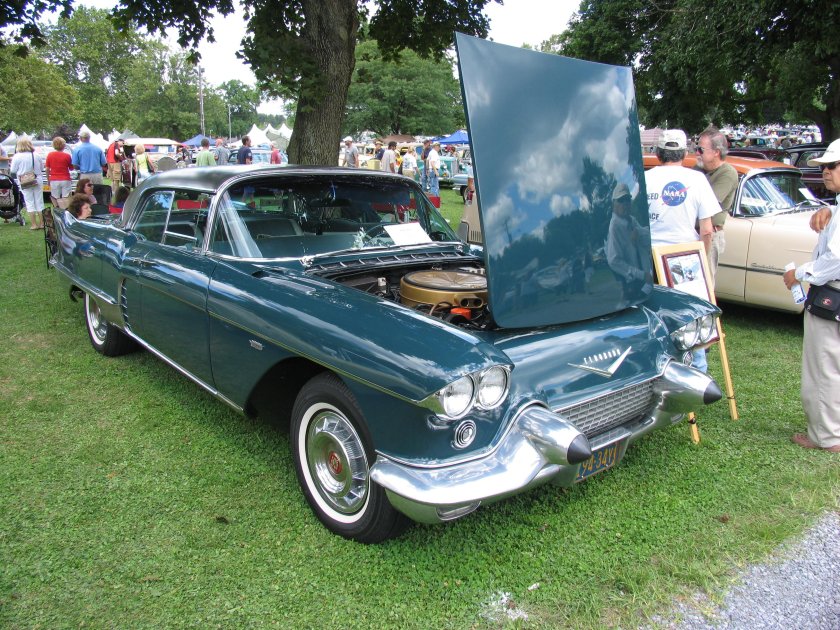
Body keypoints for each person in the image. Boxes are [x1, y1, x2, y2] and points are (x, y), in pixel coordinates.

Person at [783, 138, 840, 453]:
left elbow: (834, 260)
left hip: (832, 294)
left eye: (832, 166)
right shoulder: (835, 209)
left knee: (823, 366)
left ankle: (826, 436)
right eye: (825, 167)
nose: (827, 173)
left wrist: (799, 274)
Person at [645, 129, 718, 372]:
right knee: (690, 315)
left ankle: (657, 367)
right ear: (684, 153)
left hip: (649, 258)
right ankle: (697, 370)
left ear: (658, 153)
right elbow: (707, 230)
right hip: (684, 258)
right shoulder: (697, 180)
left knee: (653, 315)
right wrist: (703, 261)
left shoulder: (645, 178)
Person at [695, 125, 738, 283]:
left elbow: (707, 204)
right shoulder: (698, 170)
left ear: (716, 152)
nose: (697, 153)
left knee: (705, 281)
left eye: (701, 149)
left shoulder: (727, 173)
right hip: (693, 232)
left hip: (710, 234)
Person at [606, 182, 650, 303]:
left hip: (646, 281)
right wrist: (641, 275)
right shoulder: (615, 226)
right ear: (614, 204)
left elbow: (646, 239)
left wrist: (639, 235)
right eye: (621, 200)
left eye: (627, 199)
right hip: (634, 285)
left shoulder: (631, 220)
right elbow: (613, 260)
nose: (625, 204)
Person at [9, 136, 45, 229]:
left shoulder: (17, 156)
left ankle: (34, 224)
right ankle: (42, 223)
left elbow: (13, 170)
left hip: (25, 180)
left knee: (29, 202)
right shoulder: (36, 155)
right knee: (39, 201)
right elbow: (41, 168)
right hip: (37, 179)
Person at [45, 136, 73, 204]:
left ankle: (56, 211)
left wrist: (48, 179)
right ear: (63, 145)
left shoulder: (50, 155)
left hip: (54, 179)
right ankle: (65, 211)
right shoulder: (67, 156)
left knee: (55, 198)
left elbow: (47, 168)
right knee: (66, 197)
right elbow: (71, 168)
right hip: (65, 178)